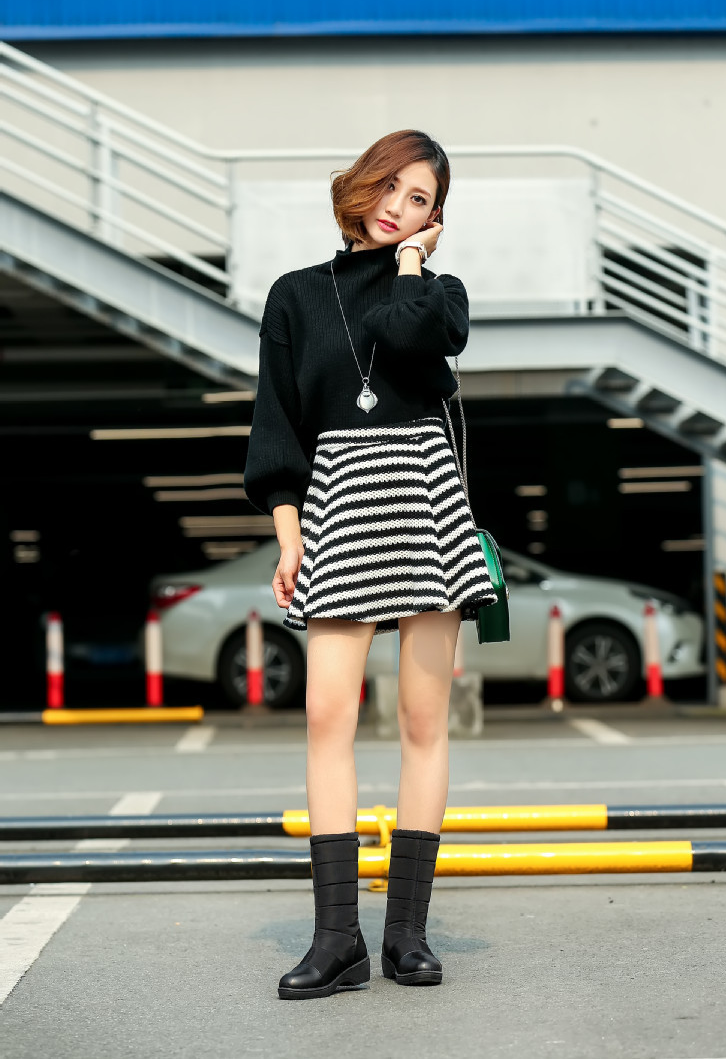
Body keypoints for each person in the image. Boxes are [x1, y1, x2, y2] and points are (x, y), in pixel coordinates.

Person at [243, 129, 498, 999]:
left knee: (424, 722)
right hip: (340, 503)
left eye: (419, 199)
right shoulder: (294, 295)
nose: (397, 206)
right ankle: (336, 938)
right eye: (390, 186)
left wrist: (413, 262)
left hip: (423, 497)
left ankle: (407, 936)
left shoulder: (435, 291)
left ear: (435, 218)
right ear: (361, 184)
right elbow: (276, 425)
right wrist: (288, 535)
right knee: (327, 717)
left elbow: (416, 332)